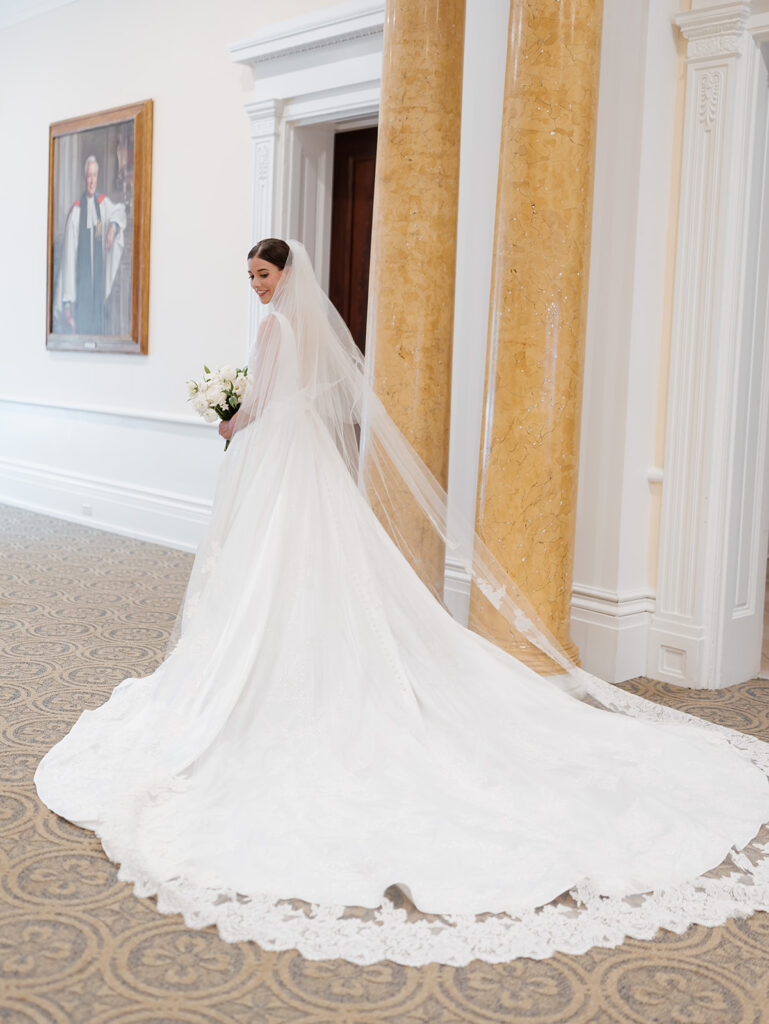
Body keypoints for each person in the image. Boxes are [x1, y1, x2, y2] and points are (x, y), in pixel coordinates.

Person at [35, 239, 769, 967]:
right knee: (308, 561)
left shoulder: (273, 327)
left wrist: (227, 420)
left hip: (278, 454)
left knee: (271, 562)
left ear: (286, 275)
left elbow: (257, 403)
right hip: (305, 457)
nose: (255, 287)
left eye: (262, 275)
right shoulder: (302, 329)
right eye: (251, 277)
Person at [54, 155, 127, 334]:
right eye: (88, 176)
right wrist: (68, 303)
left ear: (97, 177)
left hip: (98, 289)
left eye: (94, 175)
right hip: (81, 290)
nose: (91, 180)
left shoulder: (103, 205)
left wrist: (112, 227)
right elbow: (69, 260)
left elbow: (120, 212)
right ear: (83, 178)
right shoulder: (76, 213)